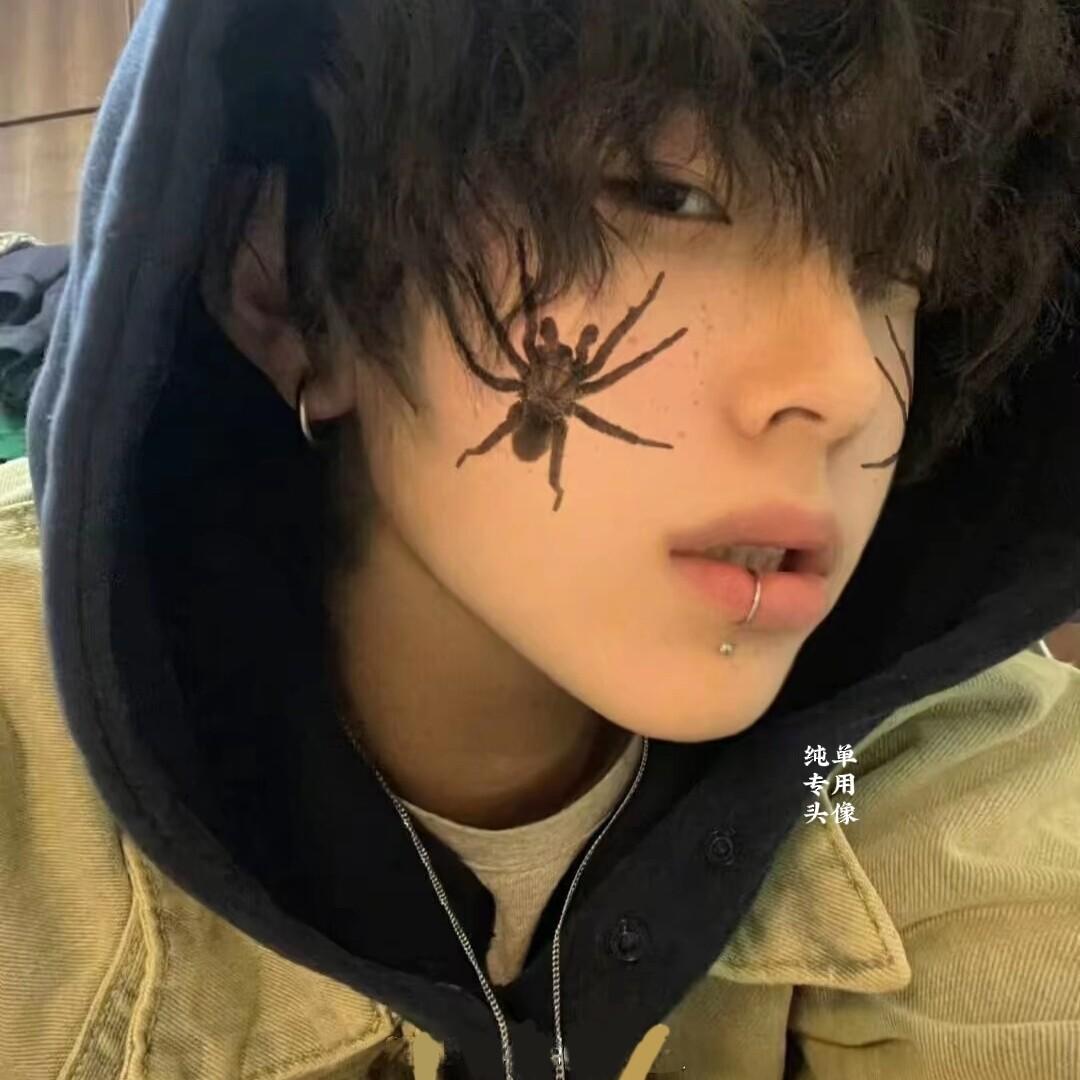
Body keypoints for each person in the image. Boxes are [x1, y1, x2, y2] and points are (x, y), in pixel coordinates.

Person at [2, 1, 1079, 1077]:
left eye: (897, 266)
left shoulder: (942, 767)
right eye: (667, 195)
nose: (844, 388)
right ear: (287, 283)